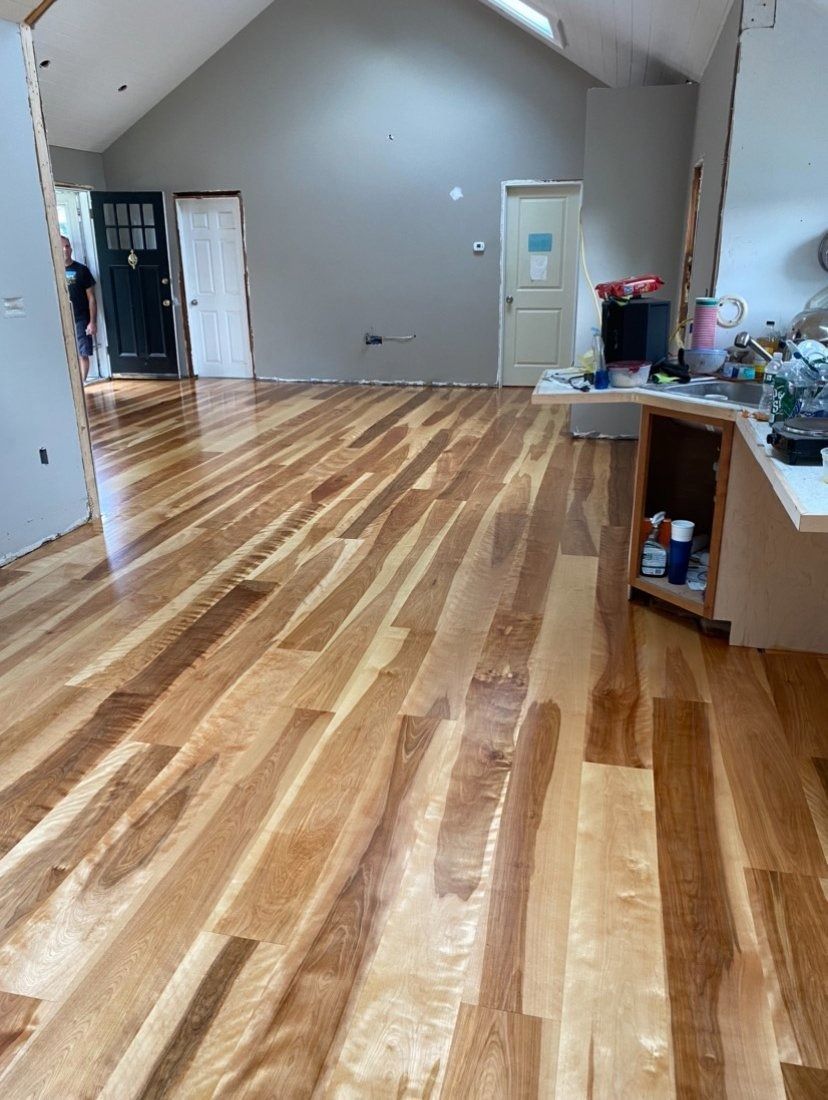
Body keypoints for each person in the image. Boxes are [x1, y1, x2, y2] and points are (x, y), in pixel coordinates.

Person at [61, 235, 97, 382]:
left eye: (67, 246)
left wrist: (92, 322)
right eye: (62, 246)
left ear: (71, 248)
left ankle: (82, 384)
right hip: (63, 319)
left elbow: (92, 298)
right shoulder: (53, 272)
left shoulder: (81, 270)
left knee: (83, 352)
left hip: (81, 318)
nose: (65, 250)